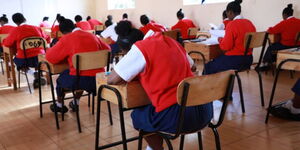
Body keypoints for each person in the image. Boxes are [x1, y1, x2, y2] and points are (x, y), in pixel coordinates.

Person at [107, 24, 213, 150]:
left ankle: (155, 148)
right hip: (205, 110)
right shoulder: (171, 41)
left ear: (129, 51)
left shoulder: (140, 48)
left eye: (125, 55)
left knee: (139, 116)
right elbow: (193, 67)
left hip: (181, 117)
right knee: (152, 110)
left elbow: (112, 79)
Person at [45, 18, 110, 113]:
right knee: (81, 73)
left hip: (79, 80)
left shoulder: (67, 38)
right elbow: (107, 51)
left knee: (61, 79)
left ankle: (59, 105)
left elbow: (51, 58)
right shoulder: (93, 36)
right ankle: (75, 102)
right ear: (75, 26)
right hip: (98, 79)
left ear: (62, 33)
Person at [203, 0, 256, 75]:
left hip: (235, 60)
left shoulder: (232, 24)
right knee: (219, 60)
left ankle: (208, 86)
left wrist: (220, 39)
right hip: (248, 60)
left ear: (230, 12)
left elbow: (225, 47)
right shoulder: (250, 23)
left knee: (208, 66)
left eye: (227, 13)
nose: (227, 16)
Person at [3, 13, 49, 87]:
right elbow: (45, 38)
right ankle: (38, 73)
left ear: (15, 22)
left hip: (25, 58)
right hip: (40, 57)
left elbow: (7, 44)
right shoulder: (36, 28)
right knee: (36, 57)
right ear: (24, 19)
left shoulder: (16, 30)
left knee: (16, 60)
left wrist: (4, 40)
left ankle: (32, 73)